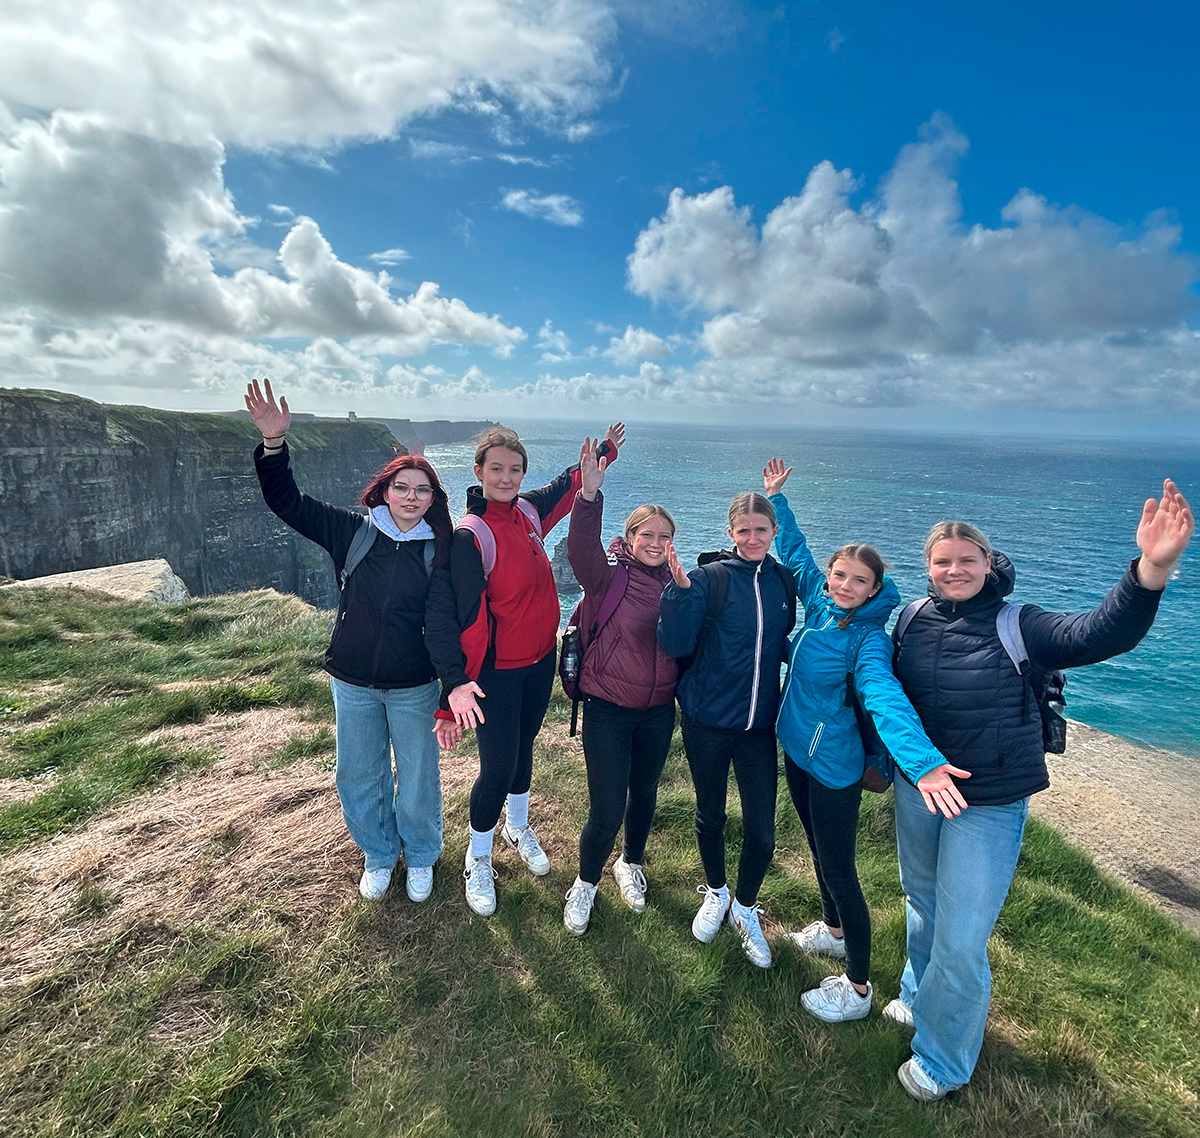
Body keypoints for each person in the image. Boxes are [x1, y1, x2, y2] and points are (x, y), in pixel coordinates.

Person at [888, 481, 1194, 1102]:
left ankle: (943, 1061)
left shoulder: (1017, 624)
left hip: (989, 800)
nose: (953, 571)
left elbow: (1097, 634)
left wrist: (1150, 571)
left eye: (966, 561)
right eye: (942, 562)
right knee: (922, 901)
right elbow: (887, 696)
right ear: (929, 568)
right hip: (919, 787)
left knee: (963, 934)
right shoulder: (911, 620)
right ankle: (918, 995)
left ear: (987, 564)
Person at [762, 457, 962, 1022]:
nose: (846, 586)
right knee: (819, 850)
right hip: (798, 750)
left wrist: (921, 762)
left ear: (876, 589)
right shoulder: (821, 603)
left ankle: (856, 987)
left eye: (859, 581)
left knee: (841, 868)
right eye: (840, 575)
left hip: (835, 765)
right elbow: (796, 554)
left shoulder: (868, 641)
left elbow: (884, 698)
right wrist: (776, 499)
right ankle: (832, 930)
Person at [245, 378, 452, 904]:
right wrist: (273, 444)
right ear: (383, 492)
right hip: (354, 681)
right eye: (401, 486)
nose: (411, 497)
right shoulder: (352, 531)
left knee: (419, 778)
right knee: (359, 774)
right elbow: (287, 502)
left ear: (433, 500)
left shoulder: (440, 549)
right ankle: (380, 854)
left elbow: (458, 611)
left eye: (422, 490)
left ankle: (422, 855)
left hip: (414, 685)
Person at [426, 423, 625, 917]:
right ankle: (478, 858)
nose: (507, 477)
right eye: (497, 469)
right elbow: (461, 620)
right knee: (495, 768)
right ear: (479, 472)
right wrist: (451, 694)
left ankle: (517, 825)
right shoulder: (471, 536)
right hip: (496, 675)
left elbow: (567, 484)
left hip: (539, 663)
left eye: (515, 469)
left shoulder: (529, 513)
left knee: (525, 749)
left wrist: (604, 452)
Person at [657, 492, 796, 968]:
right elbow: (673, 642)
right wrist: (677, 593)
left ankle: (745, 907)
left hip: (759, 725)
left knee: (762, 831)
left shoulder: (782, 581)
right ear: (730, 532)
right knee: (710, 812)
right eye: (744, 530)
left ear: (773, 532)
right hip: (708, 719)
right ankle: (716, 891)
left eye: (761, 529)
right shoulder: (707, 580)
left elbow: (780, 646)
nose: (753, 538)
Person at [561, 438, 679, 935]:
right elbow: (580, 549)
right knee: (607, 807)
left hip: (658, 711)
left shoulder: (681, 583)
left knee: (645, 794)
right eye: (647, 534)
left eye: (665, 536)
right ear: (629, 538)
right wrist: (588, 497)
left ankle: (629, 863)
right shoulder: (607, 578)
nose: (655, 542)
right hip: (609, 708)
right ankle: (585, 885)